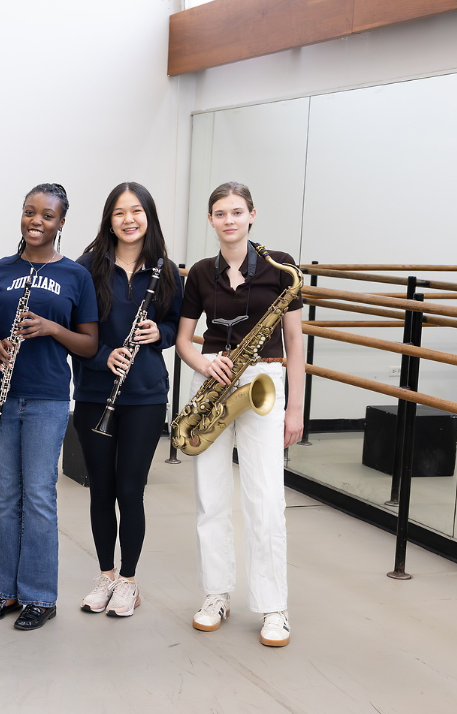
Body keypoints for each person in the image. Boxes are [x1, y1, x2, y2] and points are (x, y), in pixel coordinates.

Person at [175, 181, 304, 647]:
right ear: (210, 220)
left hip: (264, 385)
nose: (228, 220)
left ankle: (274, 607)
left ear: (252, 215)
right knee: (211, 499)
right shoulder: (200, 274)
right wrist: (204, 362)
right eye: (220, 213)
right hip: (213, 382)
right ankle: (216, 594)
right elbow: (184, 339)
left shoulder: (280, 269)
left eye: (236, 212)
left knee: (266, 500)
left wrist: (295, 408)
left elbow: (295, 343)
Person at [0, 183, 98, 630]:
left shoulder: (75, 276)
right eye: (29, 212)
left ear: (61, 222)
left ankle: (40, 597)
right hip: (0, 394)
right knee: (8, 498)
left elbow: (88, 344)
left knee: (40, 497)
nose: (36, 221)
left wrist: (49, 327)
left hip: (46, 398)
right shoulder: (0, 271)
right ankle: (6, 592)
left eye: (47, 215)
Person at [73, 182, 183, 618]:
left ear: (148, 217)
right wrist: (103, 357)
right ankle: (105, 575)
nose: (129, 219)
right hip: (95, 392)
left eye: (137, 211)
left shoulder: (167, 270)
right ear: (109, 220)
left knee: (129, 490)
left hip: (145, 396)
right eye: (119, 212)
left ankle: (129, 582)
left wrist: (162, 333)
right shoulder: (88, 268)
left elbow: (177, 325)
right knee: (100, 489)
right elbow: (73, 333)